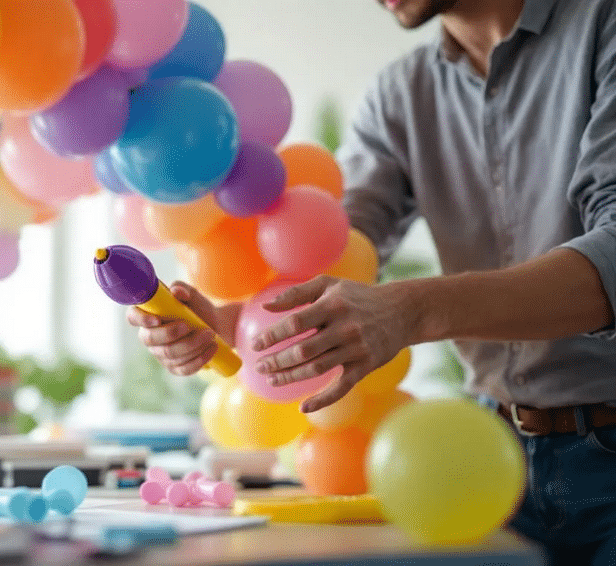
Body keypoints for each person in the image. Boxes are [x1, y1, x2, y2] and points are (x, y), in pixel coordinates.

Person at [127, 0, 616, 563]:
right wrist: (252, 319)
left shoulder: (603, 24)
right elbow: (337, 257)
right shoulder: (400, 93)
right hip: (487, 457)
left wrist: (410, 311)